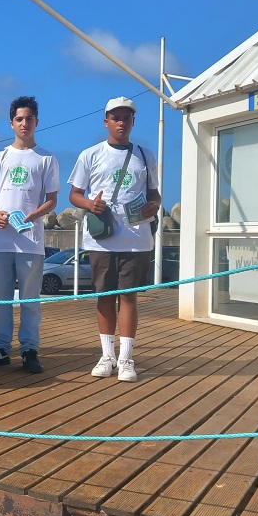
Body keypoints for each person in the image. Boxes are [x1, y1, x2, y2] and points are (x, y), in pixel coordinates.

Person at [68, 96, 160, 383]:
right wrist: (89, 205)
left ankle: (126, 358)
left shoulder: (145, 155)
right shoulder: (90, 155)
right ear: (106, 121)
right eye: (116, 117)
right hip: (102, 239)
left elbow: (154, 193)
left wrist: (154, 205)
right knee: (104, 297)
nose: (122, 122)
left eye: (127, 117)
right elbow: (74, 194)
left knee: (129, 297)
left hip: (136, 238)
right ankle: (107, 356)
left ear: (133, 121)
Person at [0, 96, 59, 374]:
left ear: (37, 122)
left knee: (30, 299)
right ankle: (0, 347)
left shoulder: (46, 158)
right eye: (19, 119)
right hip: (1, 242)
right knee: (0, 298)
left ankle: (29, 349)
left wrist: (33, 216)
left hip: (31, 242)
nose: (24, 123)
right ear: (11, 122)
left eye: (29, 119)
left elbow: (52, 200)